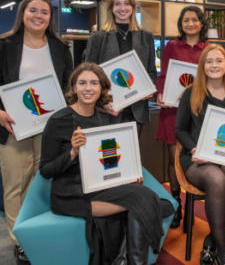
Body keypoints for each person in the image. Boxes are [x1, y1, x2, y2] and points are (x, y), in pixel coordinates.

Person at [39, 62, 174, 264]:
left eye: (94, 83)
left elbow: (111, 160)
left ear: (101, 88)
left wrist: (128, 175)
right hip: (71, 193)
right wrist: (73, 152)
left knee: (154, 202)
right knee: (146, 203)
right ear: (74, 87)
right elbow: (46, 170)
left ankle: (126, 260)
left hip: (102, 186)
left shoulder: (105, 118)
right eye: (82, 83)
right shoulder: (59, 120)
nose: (88, 88)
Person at [0, 0, 73, 262]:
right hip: (13, 127)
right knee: (15, 185)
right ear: (23, 13)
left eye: (44, 12)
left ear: (50, 18)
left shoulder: (59, 47)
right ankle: (19, 240)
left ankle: (36, 232)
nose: (38, 16)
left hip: (50, 127)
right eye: (33, 10)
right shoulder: (5, 45)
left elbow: (68, 84)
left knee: (40, 181)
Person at [176, 44, 225, 265]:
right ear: (202, 66)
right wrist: (193, 149)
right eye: (209, 61)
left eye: (219, 61)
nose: (214, 65)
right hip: (198, 160)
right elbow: (180, 129)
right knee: (216, 179)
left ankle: (211, 240)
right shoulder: (191, 93)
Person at [156, 5, 209, 229]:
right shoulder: (171, 46)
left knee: (195, 155)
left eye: (194, 20)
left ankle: (192, 201)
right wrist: (160, 92)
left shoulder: (207, 48)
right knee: (173, 158)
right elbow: (165, 73)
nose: (190, 24)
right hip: (173, 108)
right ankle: (176, 203)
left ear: (201, 23)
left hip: (198, 110)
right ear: (181, 24)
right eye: (186, 20)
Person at [85, 0, 156, 136]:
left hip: (136, 111)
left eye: (126, 3)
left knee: (133, 157)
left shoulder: (146, 37)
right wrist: (103, 102)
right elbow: (88, 76)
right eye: (117, 4)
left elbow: (151, 72)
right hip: (108, 110)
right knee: (109, 157)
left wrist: (149, 87)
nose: (122, 8)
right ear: (111, 8)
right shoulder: (98, 38)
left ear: (133, 6)